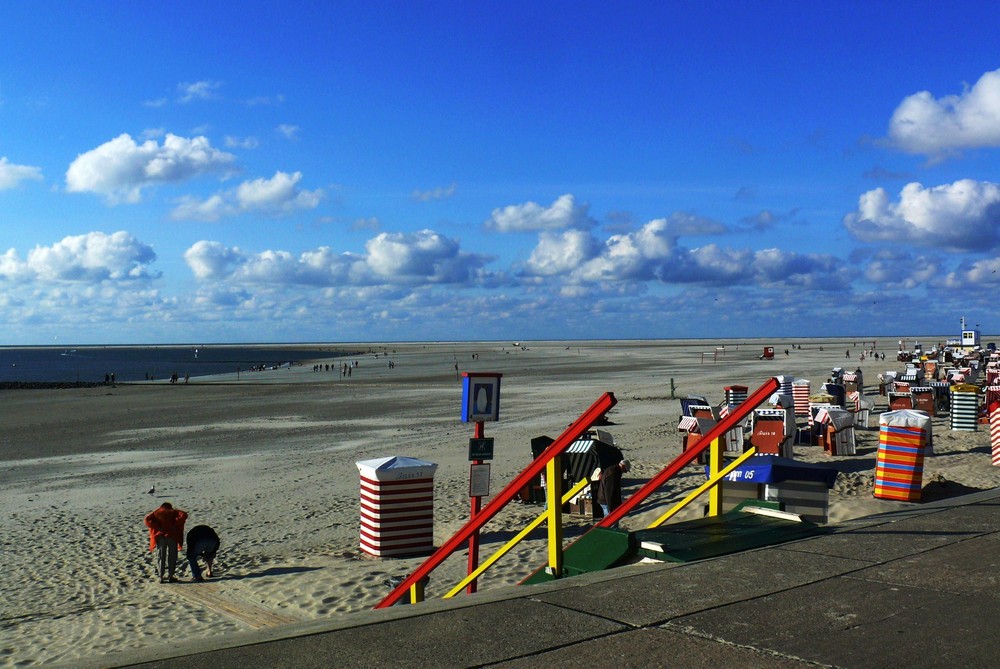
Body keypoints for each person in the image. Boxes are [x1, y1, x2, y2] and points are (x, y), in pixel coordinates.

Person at [144, 502, 188, 583]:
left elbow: (146, 520)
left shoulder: (156, 512)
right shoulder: (174, 512)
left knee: (161, 556)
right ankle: (171, 576)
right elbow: (184, 515)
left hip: (161, 536)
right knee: (172, 555)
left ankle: (161, 577)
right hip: (172, 536)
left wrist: (157, 526)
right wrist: (175, 523)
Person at [596, 459, 631, 526]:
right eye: (625, 470)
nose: (625, 472)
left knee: (609, 521)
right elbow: (609, 492)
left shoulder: (614, 470)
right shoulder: (613, 473)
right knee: (611, 522)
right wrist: (611, 508)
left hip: (606, 500)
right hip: (607, 502)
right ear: (623, 467)